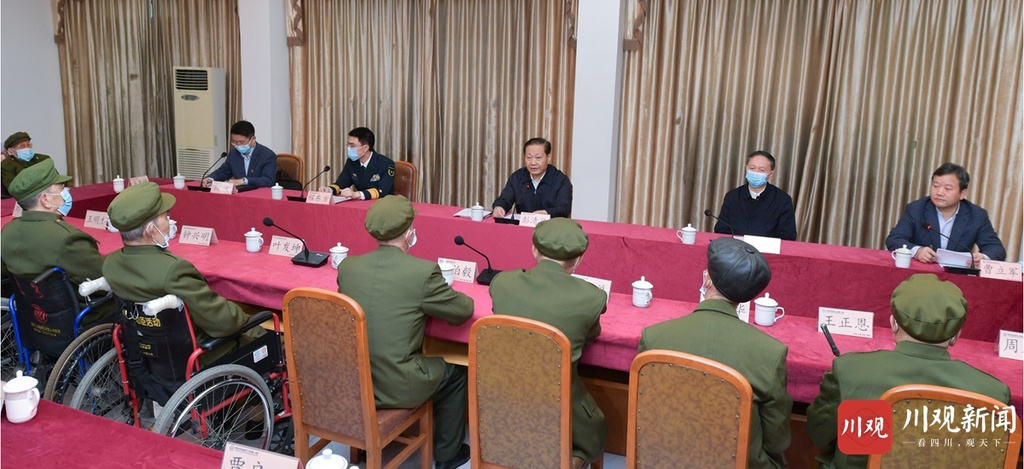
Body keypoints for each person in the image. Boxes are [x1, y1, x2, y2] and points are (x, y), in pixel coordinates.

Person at [806, 273, 1011, 469]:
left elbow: (820, 436)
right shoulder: (993, 394)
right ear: (956, 335)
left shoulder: (850, 372)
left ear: (893, 323)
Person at [336, 195, 473, 469]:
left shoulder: (348, 267)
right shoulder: (422, 272)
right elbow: (462, 311)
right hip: (397, 384)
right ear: (409, 233)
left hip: (352, 379)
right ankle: (447, 455)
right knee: (457, 374)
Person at [638, 238, 791, 469]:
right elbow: (777, 440)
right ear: (749, 296)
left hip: (663, 458)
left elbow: (644, 413)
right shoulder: (771, 353)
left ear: (707, 279)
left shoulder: (654, 337)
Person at [489, 218, 608, 468]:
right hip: (562, 415)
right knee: (596, 424)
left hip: (503, 407)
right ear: (578, 260)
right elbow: (589, 337)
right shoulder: (591, 298)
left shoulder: (501, 284)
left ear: (534, 249)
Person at [103, 182, 262, 364]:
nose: (169, 221)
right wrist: (241, 314)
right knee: (259, 330)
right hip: (197, 355)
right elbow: (225, 324)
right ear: (150, 230)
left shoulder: (110, 263)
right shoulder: (173, 270)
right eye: (166, 217)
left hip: (145, 353)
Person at [1, 159, 114, 329]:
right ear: (46, 200)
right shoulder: (67, 239)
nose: (66, 192)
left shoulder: (7, 231)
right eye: (61, 189)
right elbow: (103, 277)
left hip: (32, 320)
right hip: (80, 320)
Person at [885, 162, 1005, 264]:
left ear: (962, 194)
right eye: (936, 186)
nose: (939, 192)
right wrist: (917, 251)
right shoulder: (916, 209)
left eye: (947, 188)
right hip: (921, 273)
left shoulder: (977, 215)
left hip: (956, 277)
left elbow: (996, 249)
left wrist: (983, 258)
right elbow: (894, 239)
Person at [713, 150, 797, 240]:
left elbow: (787, 236)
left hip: (767, 248)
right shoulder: (732, 196)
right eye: (752, 168)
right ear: (746, 168)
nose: (756, 172)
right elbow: (721, 229)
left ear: (770, 174)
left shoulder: (782, 200)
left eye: (761, 170)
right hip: (734, 247)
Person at [491, 137, 573, 218]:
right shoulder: (517, 177)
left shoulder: (560, 180)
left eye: (538, 158)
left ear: (548, 158)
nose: (533, 163)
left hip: (551, 225)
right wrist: (499, 207)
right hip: (523, 224)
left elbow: (564, 208)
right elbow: (504, 199)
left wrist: (546, 213)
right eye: (529, 157)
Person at [319, 127, 395, 200]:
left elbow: (382, 190)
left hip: (382, 204)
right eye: (348, 145)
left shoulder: (386, 164)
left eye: (352, 146)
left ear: (365, 148)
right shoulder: (351, 162)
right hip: (361, 204)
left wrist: (357, 194)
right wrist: (329, 190)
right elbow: (341, 183)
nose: (349, 148)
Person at [203, 120, 278, 188]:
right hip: (239, 194)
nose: (238, 145)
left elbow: (268, 180)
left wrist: (244, 181)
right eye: (235, 142)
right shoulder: (233, 154)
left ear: (253, 139)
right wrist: (211, 179)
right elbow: (223, 172)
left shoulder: (267, 155)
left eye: (242, 142)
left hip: (258, 195)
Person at [2, 131, 53, 197]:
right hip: (28, 198)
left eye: (29, 145)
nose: (27, 148)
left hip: (51, 193)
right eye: (22, 146)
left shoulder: (44, 159)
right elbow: (14, 189)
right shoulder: (6, 165)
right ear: (11, 150)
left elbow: (57, 179)